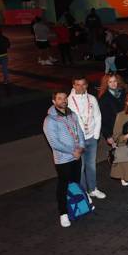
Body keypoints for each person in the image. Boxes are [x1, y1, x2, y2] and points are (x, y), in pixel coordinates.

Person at [43, 90, 86, 227]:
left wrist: (81, 147)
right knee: (63, 185)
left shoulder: (72, 114)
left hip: (76, 156)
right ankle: (63, 213)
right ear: (54, 101)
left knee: (75, 183)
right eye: (60, 98)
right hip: (63, 160)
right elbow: (54, 143)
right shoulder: (50, 120)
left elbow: (79, 131)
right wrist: (72, 151)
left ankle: (77, 206)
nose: (63, 100)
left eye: (65, 98)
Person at [67, 76, 105, 200]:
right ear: (73, 85)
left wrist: (96, 135)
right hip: (78, 141)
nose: (81, 87)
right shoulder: (69, 101)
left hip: (92, 138)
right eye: (77, 84)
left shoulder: (92, 98)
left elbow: (98, 116)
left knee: (91, 165)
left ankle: (93, 189)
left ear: (86, 85)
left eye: (83, 84)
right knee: (81, 167)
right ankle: (84, 193)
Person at [99, 74, 128, 150]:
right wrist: (108, 136)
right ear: (106, 83)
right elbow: (103, 119)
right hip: (114, 131)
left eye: (115, 81)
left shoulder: (124, 93)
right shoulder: (104, 98)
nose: (113, 84)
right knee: (121, 156)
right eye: (110, 82)